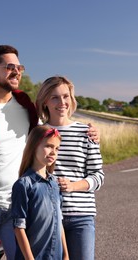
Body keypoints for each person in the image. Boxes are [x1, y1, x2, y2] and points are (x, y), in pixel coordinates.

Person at [0, 45, 99, 260]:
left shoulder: (27, 110)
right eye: (9, 67)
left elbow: (53, 129)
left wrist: (89, 130)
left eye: (19, 67)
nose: (17, 72)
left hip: (19, 204)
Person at [35, 76, 105, 260]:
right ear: (45, 102)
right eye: (55, 97)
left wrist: (73, 186)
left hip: (80, 217)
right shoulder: (37, 133)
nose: (62, 102)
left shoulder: (86, 133)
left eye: (66, 96)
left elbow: (98, 176)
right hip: (46, 216)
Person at [11, 125, 69, 260]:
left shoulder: (55, 183)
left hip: (56, 256)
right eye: (48, 146)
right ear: (33, 146)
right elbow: (19, 228)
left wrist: (65, 254)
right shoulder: (23, 185)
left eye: (57, 148)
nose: (53, 152)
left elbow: (58, 221)